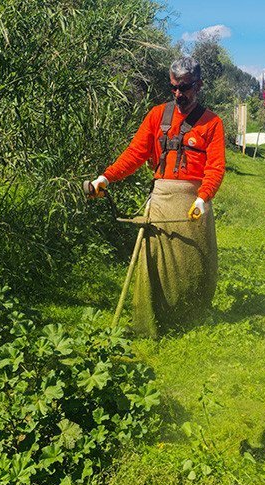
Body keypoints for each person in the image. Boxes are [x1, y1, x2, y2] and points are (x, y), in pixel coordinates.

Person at [88, 57, 225, 337]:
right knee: (152, 260)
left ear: (198, 86)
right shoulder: (156, 116)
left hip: (193, 203)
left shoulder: (212, 123)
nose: (178, 94)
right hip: (162, 199)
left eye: (185, 87)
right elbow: (135, 154)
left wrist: (203, 197)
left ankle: (190, 318)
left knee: (194, 264)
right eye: (173, 87)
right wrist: (106, 177)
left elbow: (216, 167)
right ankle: (149, 322)